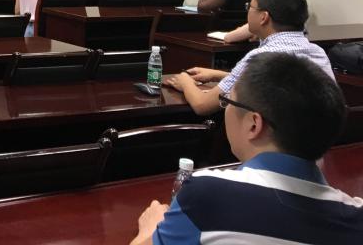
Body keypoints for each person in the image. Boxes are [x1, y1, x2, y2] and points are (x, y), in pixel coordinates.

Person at [130, 53, 362, 245]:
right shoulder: (355, 217)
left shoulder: (207, 193)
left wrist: (149, 229)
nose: (225, 110)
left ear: (254, 124)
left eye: (228, 102)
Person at [166, 0, 335, 116]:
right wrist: (219, 75)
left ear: (264, 17)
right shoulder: (317, 52)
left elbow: (202, 105)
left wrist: (185, 82)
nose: (247, 12)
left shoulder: (260, 57)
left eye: (250, 7)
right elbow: (279, 84)